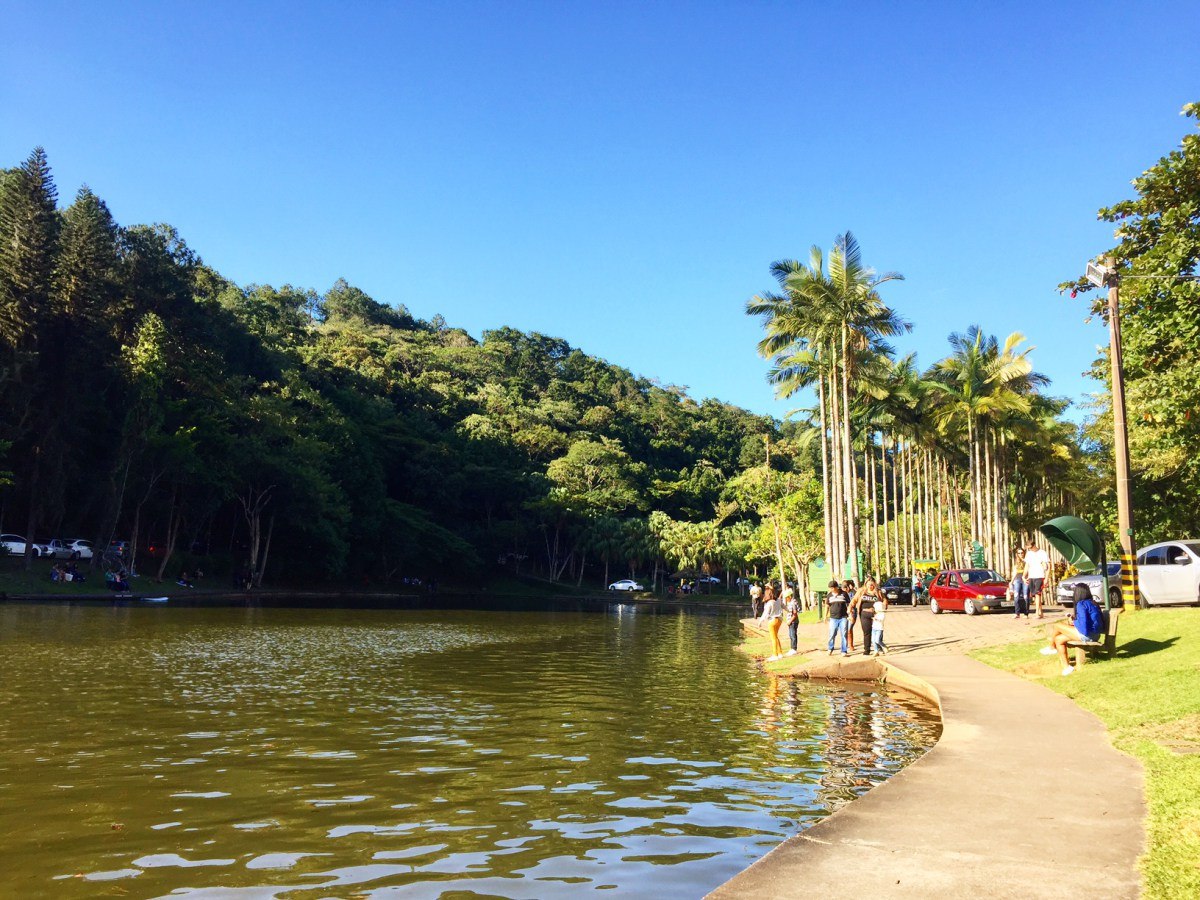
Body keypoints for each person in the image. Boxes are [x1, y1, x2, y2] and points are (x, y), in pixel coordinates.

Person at [1041, 584, 1105, 676]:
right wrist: (1074, 620)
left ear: (1078, 593)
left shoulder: (1081, 604)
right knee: (1059, 639)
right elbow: (1088, 620)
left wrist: (1074, 622)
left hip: (1087, 635)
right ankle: (1066, 667)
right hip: (1096, 634)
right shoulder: (1093, 603)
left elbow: (1084, 625)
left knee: (1057, 625)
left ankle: (1051, 647)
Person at [1024, 540, 1052, 618]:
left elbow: (1048, 566)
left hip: (1040, 575)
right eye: (1028, 548)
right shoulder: (1029, 554)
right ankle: (1041, 612)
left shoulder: (1042, 553)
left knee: (1037, 594)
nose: (1030, 549)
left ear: (1034, 545)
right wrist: (1024, 576)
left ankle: (1037, 613)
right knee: (1034, 595)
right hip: (1031, 576)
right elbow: (1027, 565)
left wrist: (1046, 578)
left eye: (1031, 548)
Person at [758, 584, 785, 661]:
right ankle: (780, 653)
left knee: (773, 638)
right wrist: (789, 611)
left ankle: (775, 654)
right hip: (779, 620)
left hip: (772, 620)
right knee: (776, 637)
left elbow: (765, 613)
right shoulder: (778, 600)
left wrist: (760, 621)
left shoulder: (769, 603)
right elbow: (784, 606)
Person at [825, 580, 850, 656]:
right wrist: (825, 616)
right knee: (832, 634)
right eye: (830, 588)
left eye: (832, 588)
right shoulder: (829, 595)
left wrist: (850, 613)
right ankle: (830, 648)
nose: (831, 589)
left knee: (844, 634)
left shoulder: (844, 594)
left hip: (843, 617)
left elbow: (849, 604)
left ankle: (844, 651)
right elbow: (827, 606)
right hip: (833, 618)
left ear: (836, 587)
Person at [1010, 547, 1029, 618]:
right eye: (1019, 553)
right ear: (1017, 554)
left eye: (1022, 553)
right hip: (1017, 579)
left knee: (1025, 596)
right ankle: (1017, 613)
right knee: (1016, 596)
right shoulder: (1016, 562)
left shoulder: (1027, 560)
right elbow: (1015, 572)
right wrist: (1011, 581)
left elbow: (1029, 570)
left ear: (1024, 553)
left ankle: (1026, 613)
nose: (1020, 554)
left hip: (1025, 579)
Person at [783, 588, 800, 656]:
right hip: (791, 621)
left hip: (793, 622)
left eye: (786, 597)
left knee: (793, 635)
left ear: (789, 596)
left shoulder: (793, 602)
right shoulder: (790, 602)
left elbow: (795, 613)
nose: (786, 599)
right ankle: (792, 648)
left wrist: (790, 621)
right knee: (791, 635)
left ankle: (794, 649)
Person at [843, 579, 859, 652]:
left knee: (849, 629)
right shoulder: (842, 593)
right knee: (845, 629)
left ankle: (850, 645)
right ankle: (845, 645)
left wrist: (851, 613)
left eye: (846, 586)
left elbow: (855, 603)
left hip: (852, 611)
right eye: (843, 586)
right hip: (844, 612)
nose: (845, 588)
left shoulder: (853, 593)